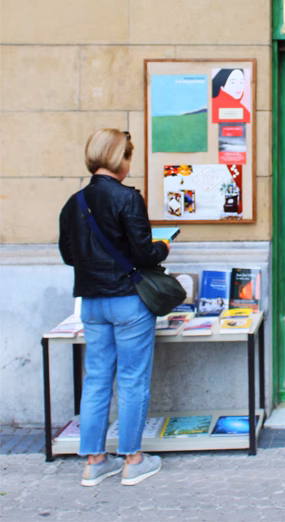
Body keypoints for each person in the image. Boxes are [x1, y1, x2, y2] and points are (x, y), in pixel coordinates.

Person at [59, 129, 169, 487]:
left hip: (91, 302)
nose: (129, 164)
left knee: (96, 380)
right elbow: (143, 253)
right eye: (128, 157)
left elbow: (68, 256)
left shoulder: (73, 203)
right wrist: (164, 247)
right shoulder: (128, 199)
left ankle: (94, 462)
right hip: (128, 301)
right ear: (119, 158)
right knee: (133, 380)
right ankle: (133, 460)